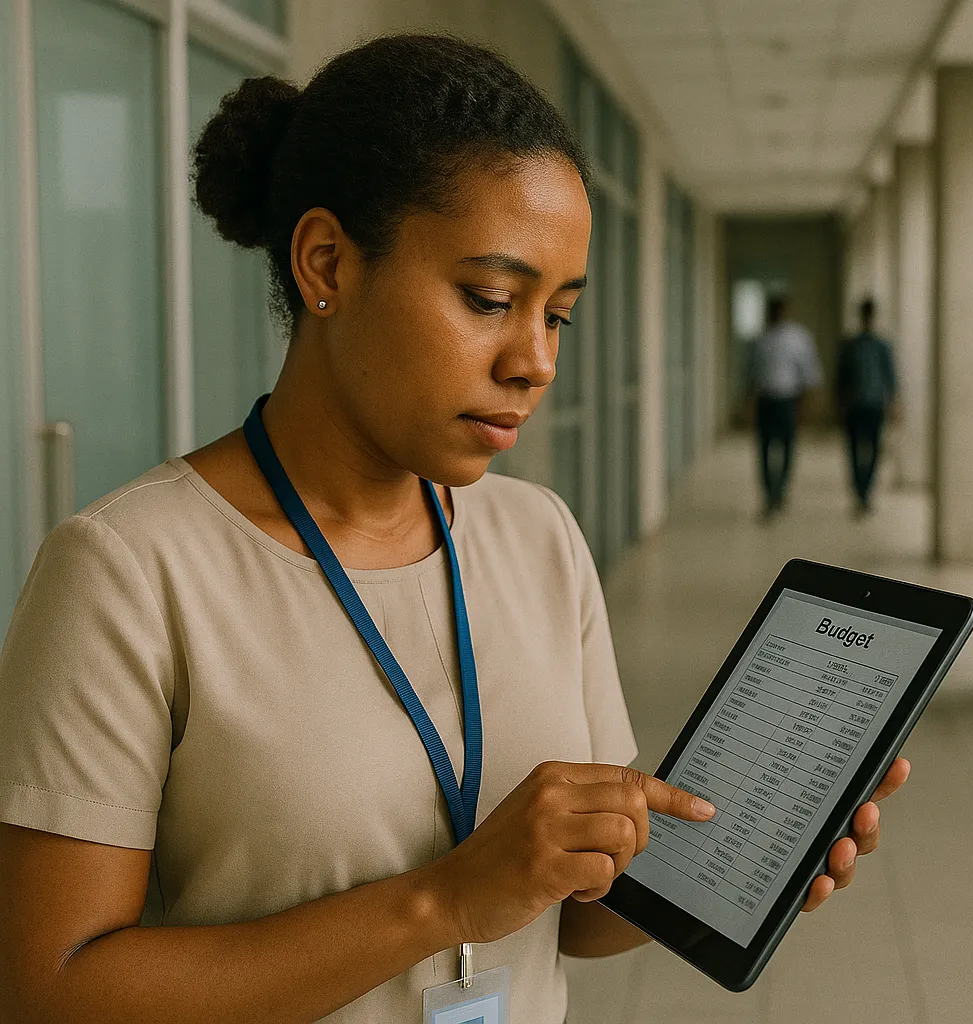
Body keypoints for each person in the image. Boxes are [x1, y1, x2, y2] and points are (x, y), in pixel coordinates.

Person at [0, 35, 908, 1024]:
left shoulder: (538, 538)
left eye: (557, 316)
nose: (535, 362)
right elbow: (50, 990)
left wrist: (743, 857)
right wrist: (439, 901)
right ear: (326, 263)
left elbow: (570, 917)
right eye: (489, 299)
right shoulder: (129, 571)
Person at [747, 294, 824, 517]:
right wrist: (749, 405)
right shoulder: (760, 340)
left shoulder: (798, 338)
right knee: (764, 449)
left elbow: (809, 374)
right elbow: (750, 376)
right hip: (766, 400)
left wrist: (806, 406)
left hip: (788, 399)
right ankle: (768, 494)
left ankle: (781, 489)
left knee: (788, 448)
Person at [837, 298, 899, 515]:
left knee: (872, 450)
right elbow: (842, 376)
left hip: (874, 404)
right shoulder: (851, 346)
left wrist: (893, 403)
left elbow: (890, 377)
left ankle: (866, 491)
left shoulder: (882, 346)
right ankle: (859, 490)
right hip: (855, 404)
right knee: (854, 450)